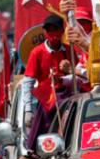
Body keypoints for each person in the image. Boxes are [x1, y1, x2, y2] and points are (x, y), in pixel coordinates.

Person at [21, 14, 73, 149]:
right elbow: (28, 83)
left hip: (68, 99)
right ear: (45, 32)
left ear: (62, 31)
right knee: (43, 140)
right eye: (49, 30)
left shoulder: (69, 50)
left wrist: (70, 71)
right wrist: (28, 110)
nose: (52, 33)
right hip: (47, 102)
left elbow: (78, 78)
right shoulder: (37, 52)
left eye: (56, 29)